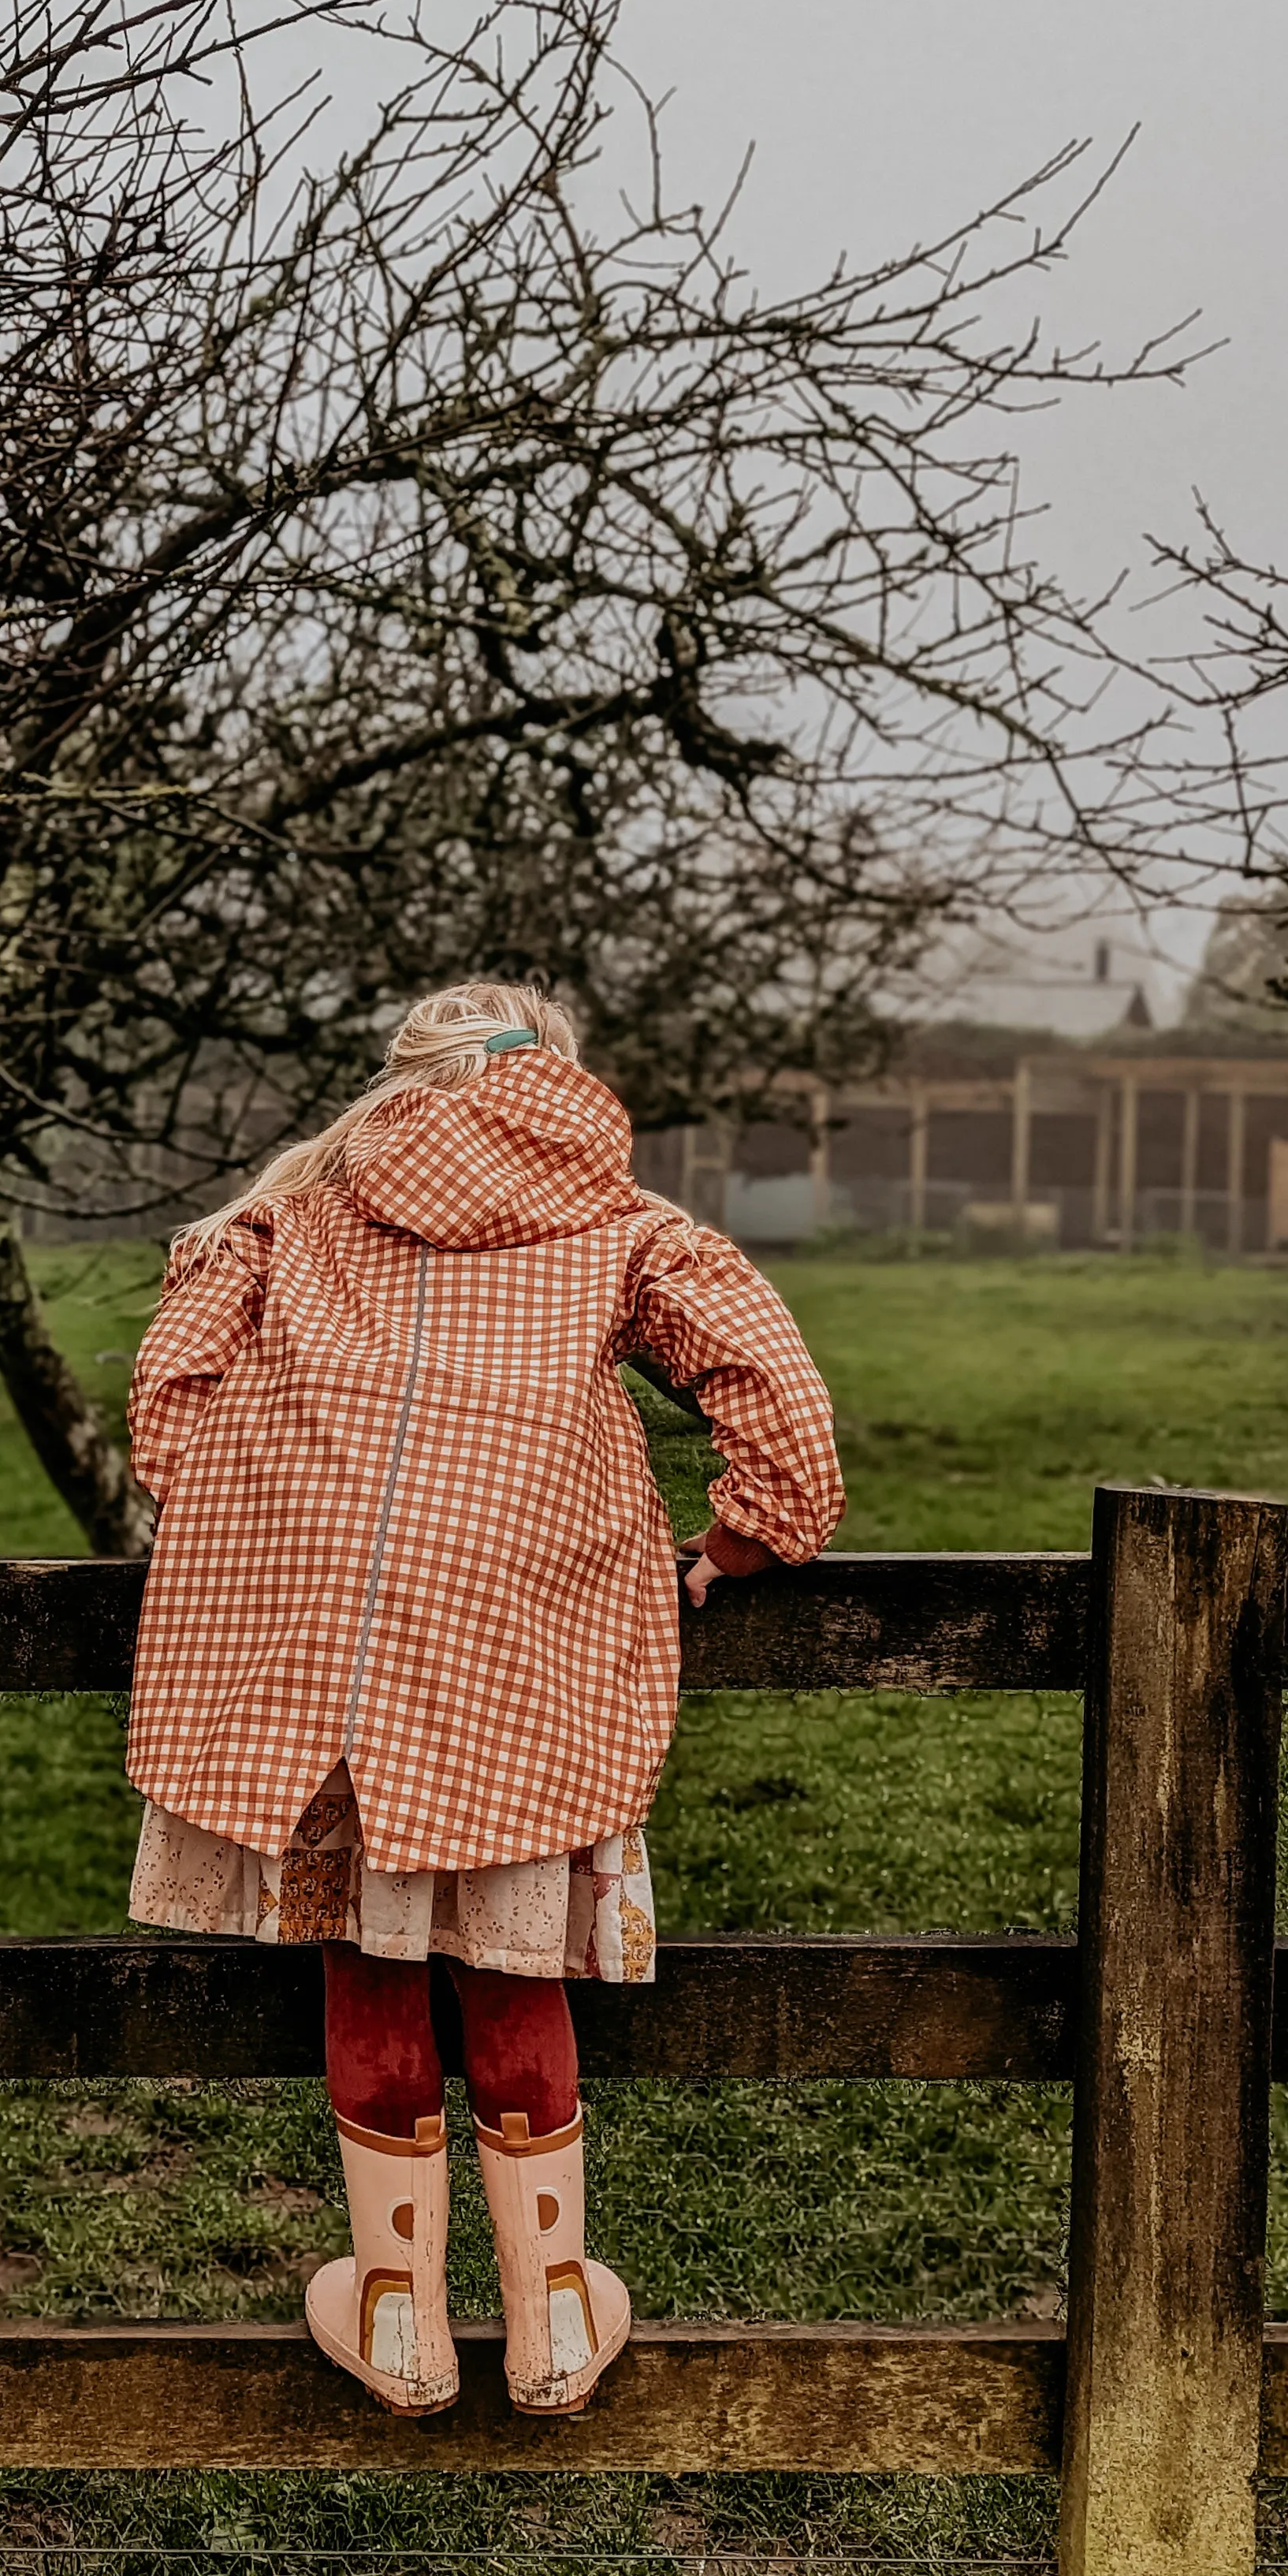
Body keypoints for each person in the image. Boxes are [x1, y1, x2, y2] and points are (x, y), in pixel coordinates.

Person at [122, 979, 843, 2415]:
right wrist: (741, 1538)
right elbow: (783, 1407)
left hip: (319, 1661)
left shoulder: (287, 1216)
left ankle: (393, 2318)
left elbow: (167, 1415)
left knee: (367, 1964)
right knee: (517, 1965)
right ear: (557, 1082)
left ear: (398, 1088)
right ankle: (554, 2318)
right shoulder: (623, 1224)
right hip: (526, 1656)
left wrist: (270, 1522)